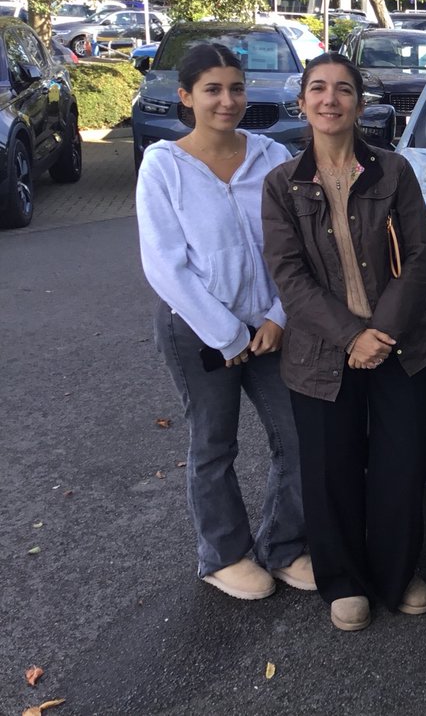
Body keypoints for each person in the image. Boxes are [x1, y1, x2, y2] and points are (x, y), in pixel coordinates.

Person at [261, 52, 426, 632]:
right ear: (302, 103)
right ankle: (342, 581)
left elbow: (420, 259)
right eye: (317, 89)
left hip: (402, 343)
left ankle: (397, 575)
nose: (330, 99)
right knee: (330, 470)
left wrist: (382, 333)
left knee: (400, 466)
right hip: (322, 352)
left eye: (342, 89)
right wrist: (351, 334)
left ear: (359, 103)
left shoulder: (393, 173)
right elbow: (288, 276)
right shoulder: (280, 186)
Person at [136, 42, 313, 600]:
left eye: (236, 88)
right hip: (198, 332)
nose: (227, 100)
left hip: (270, 328)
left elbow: (294, 247)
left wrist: (279, 317)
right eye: (212, 89)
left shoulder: (268, 157)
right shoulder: (163, 167)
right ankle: (223, 554)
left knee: (300, 436)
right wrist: (226, 332)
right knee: (215, 445)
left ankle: (284, 546)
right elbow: (166, 266)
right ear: (186, 97)